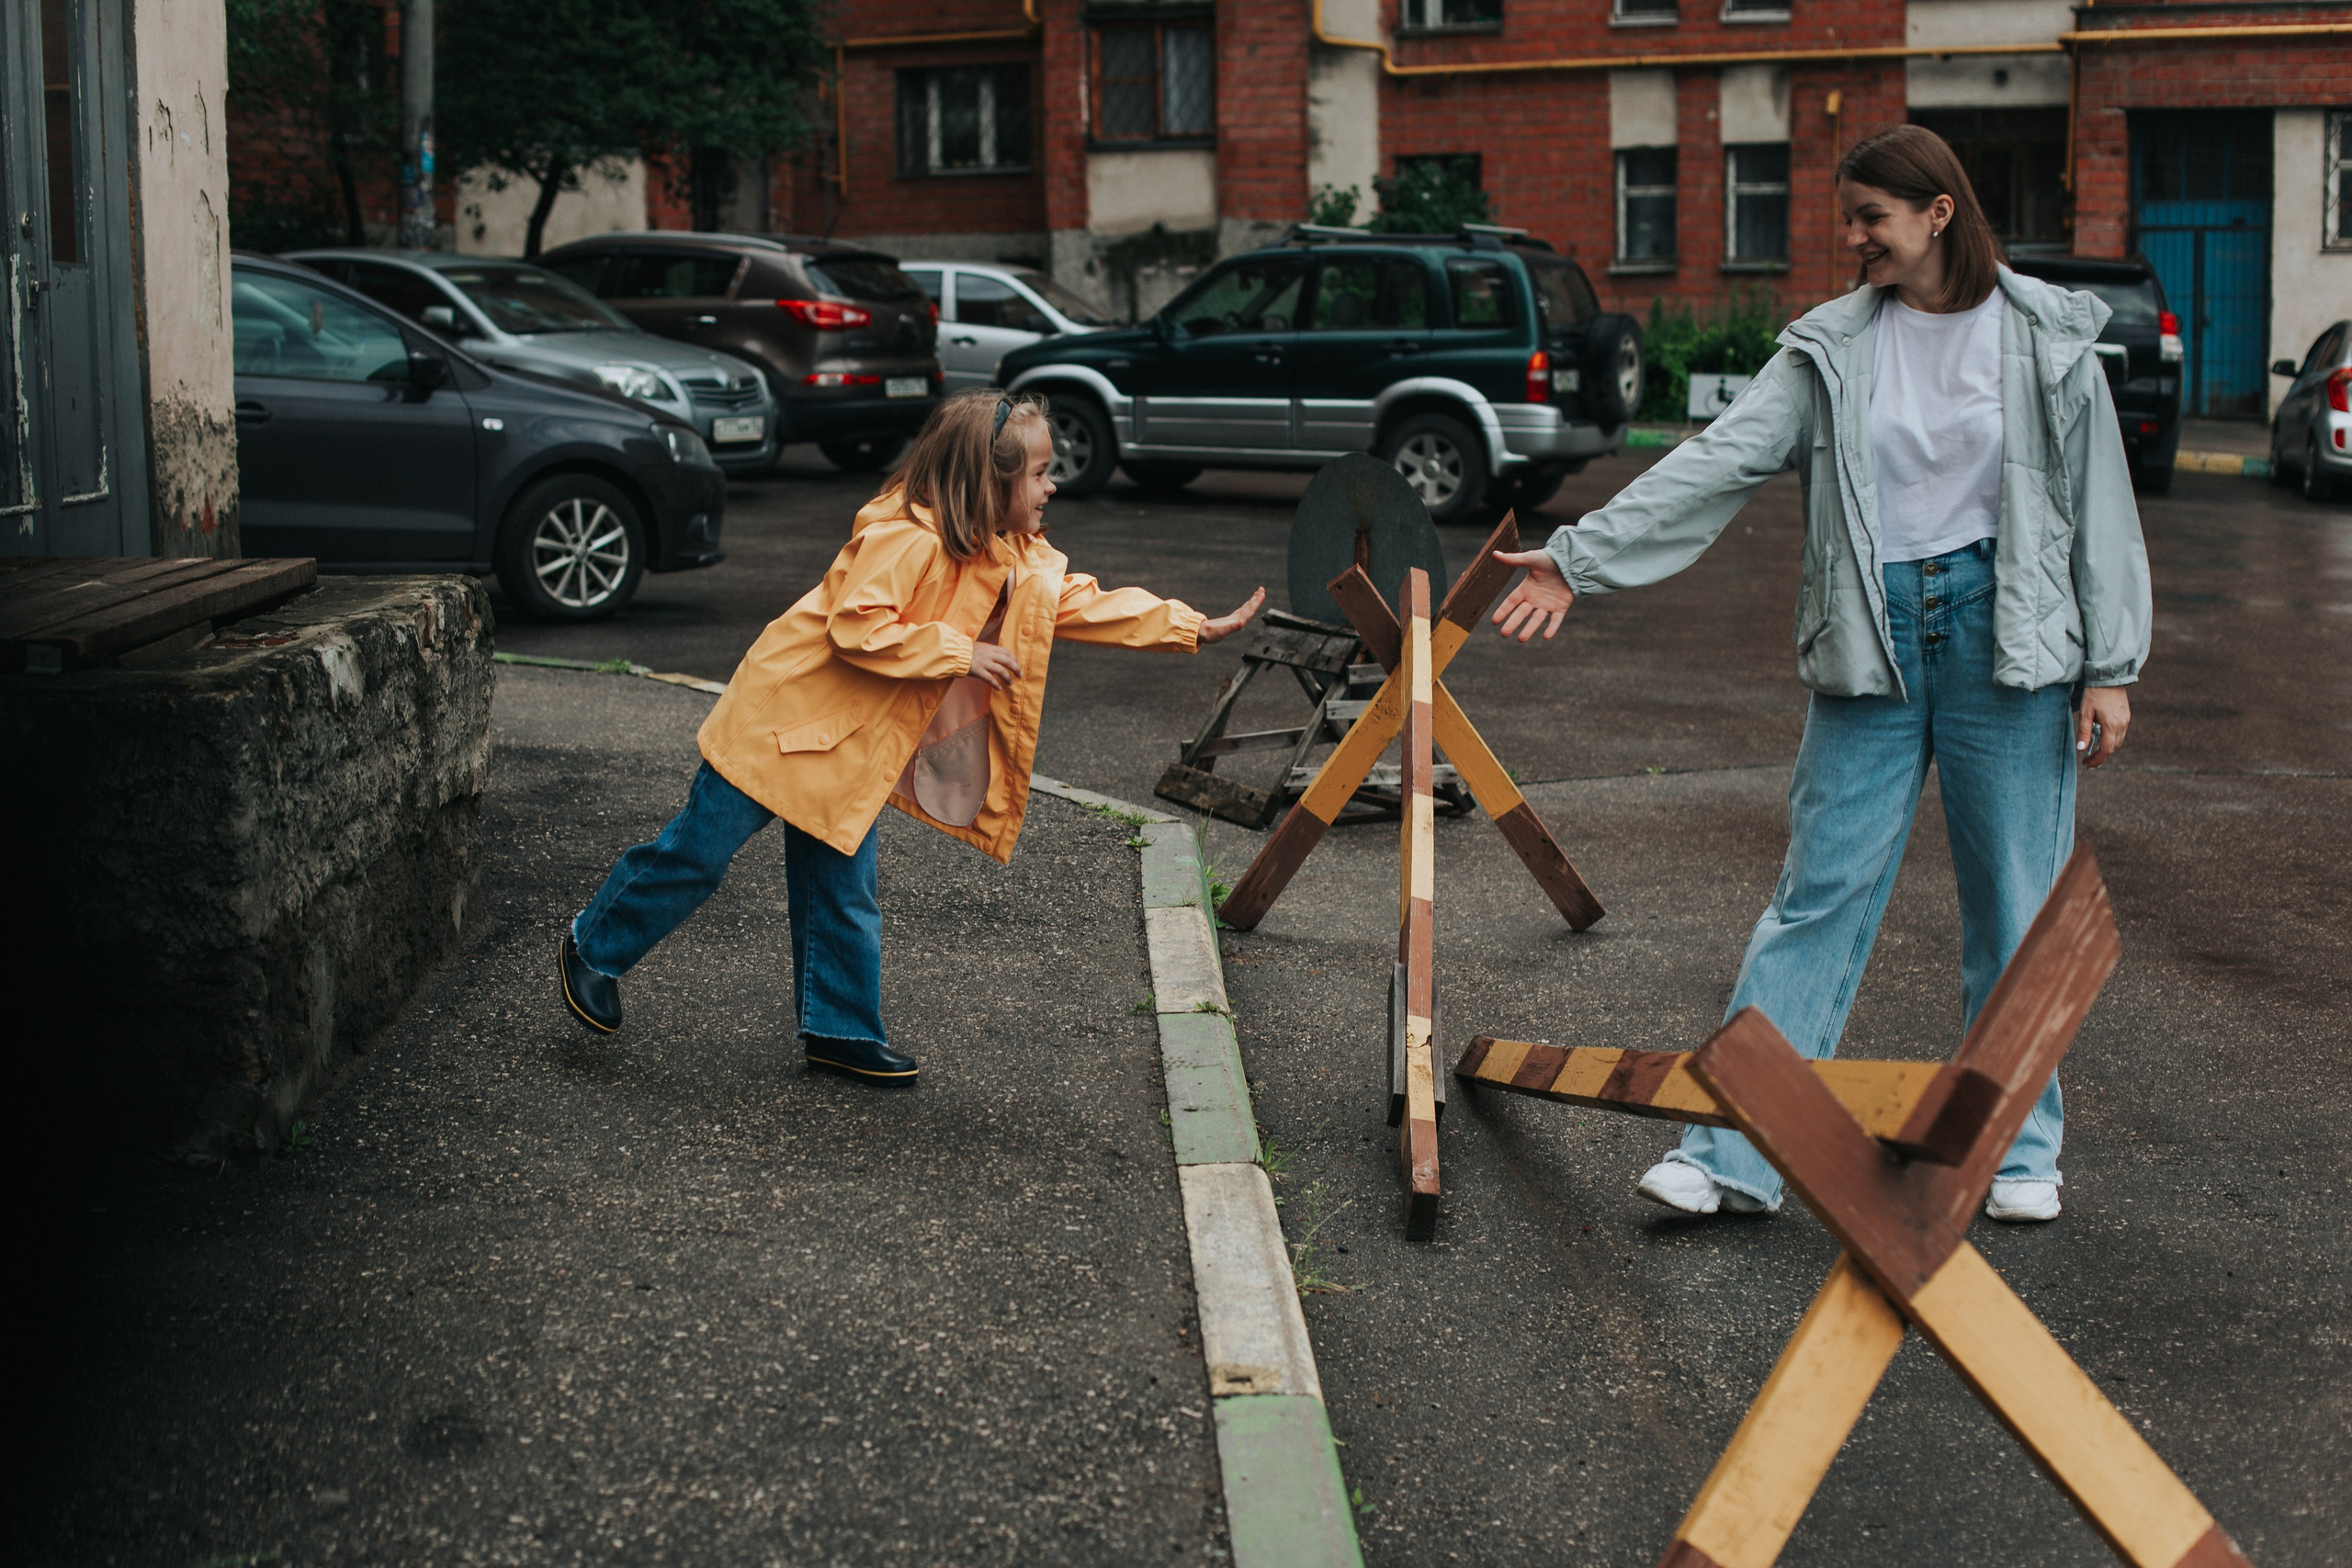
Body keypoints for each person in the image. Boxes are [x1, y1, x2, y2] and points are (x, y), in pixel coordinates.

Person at [1488, 124, 2150, 1224]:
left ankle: (2016, 1150)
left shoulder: (2043, 336)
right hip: (1871, 638)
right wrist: (1575, 558)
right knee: (1816, 899)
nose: (1852, 241)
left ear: (1937, 214)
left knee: (2014, 908)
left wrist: (2110, 666)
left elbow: (2102, 510)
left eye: (1869, 220)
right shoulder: (1832, 346)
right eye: (1848, 221)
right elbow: (1718, 458)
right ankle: (1736, 1153)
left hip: (2013, 644)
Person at [557, 389, 1267, 1081]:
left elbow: (1078, 602)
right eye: (1041, 473)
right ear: (990, 480)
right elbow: (858, 624)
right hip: (780, 727)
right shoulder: (905, 535)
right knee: (698, 854)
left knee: (842, 891)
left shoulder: (1005, 552)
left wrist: (1188, 625)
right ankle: (592, 945)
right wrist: (962, 652)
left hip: (850, 749)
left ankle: (841, 1029)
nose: (1053, 485)